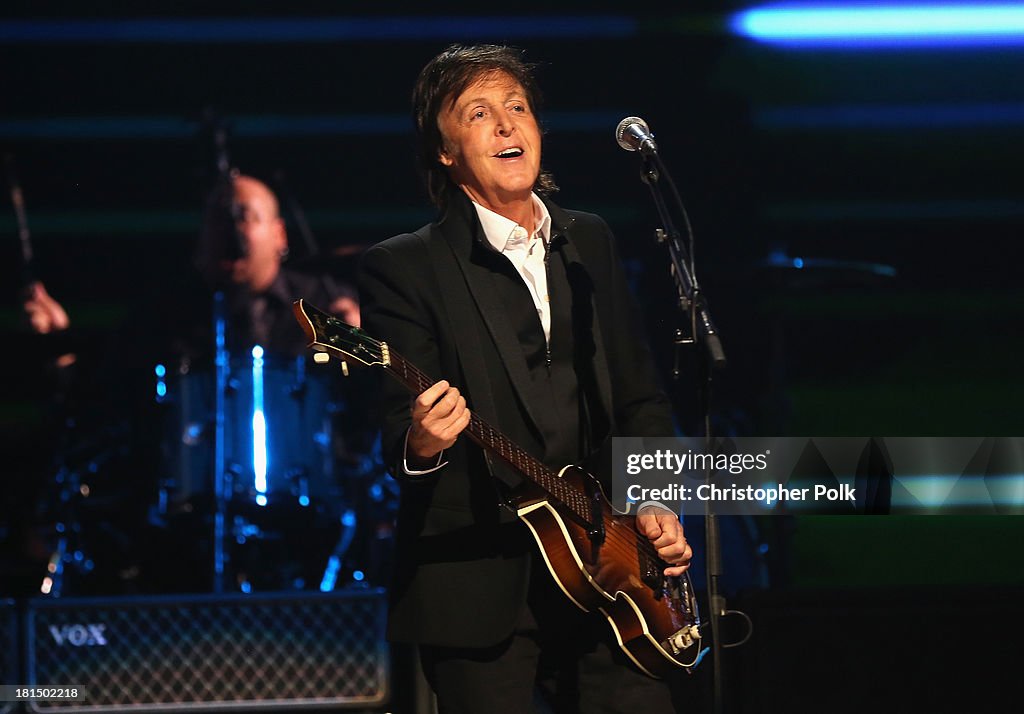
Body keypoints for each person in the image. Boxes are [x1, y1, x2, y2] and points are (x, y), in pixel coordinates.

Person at [358, 44, 692, 713]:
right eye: (480, 113)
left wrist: (654, 497)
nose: (508, 125)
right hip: (478, 589)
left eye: (517, 108)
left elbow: (641, 396)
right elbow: (402, 440)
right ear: (446, 151)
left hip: (611, 572)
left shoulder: (589, 241)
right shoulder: (405, 267)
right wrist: (426, 440)